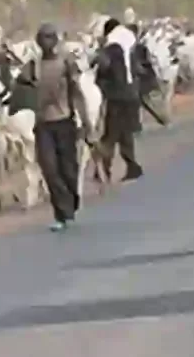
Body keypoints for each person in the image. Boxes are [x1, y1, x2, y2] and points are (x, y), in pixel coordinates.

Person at [12, 23, 94, 232]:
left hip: (65, 121)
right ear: (38, 41)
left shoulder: (66, 64)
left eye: (50, 37)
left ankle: (71, 201)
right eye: (43, 38)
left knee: (68, 169)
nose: (46, 42)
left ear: (56, 41)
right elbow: (19, 88)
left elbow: (77, 93)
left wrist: (87, 124)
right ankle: (61, 213)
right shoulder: (33, 66)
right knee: (49, 169)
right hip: (43, 125)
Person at [94, 18, 144, 181]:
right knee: (125, 132)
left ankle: (103, 169)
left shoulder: (112, 47)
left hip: (117, 95)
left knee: (110, 134)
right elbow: (138, 68)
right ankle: (132, 166)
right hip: (132, 93)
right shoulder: (132, 44)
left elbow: (104, 66)